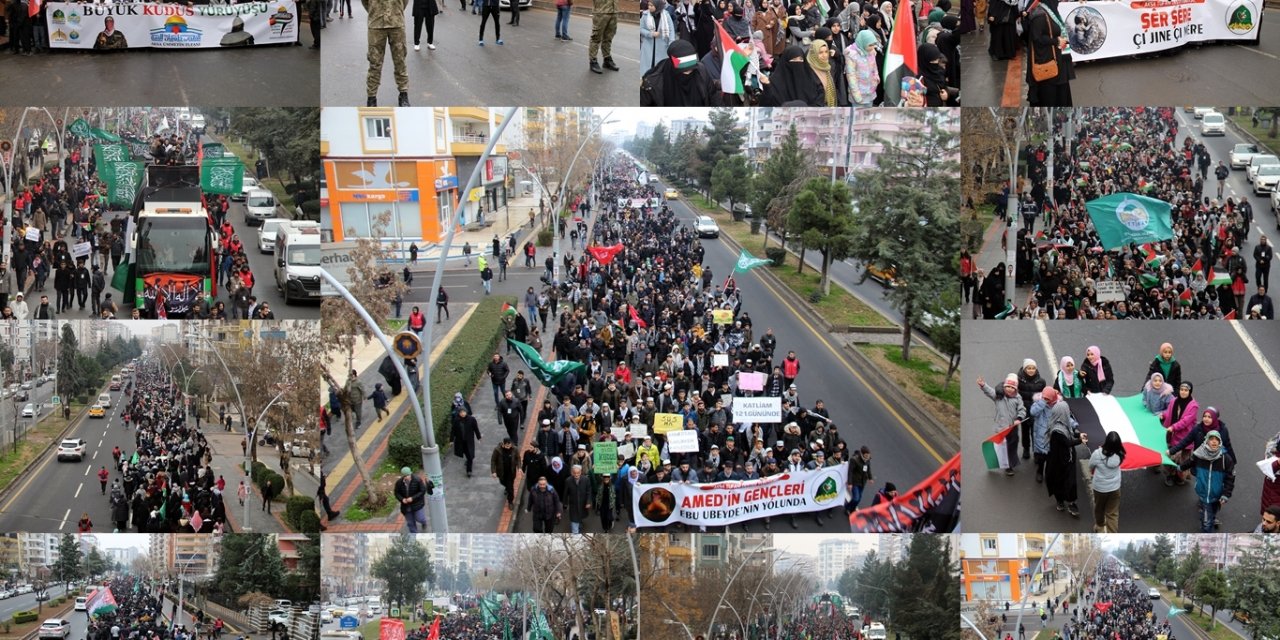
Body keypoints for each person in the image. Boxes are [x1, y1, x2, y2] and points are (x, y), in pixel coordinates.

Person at [1177, 431, 1235, 532]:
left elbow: (1230, 478)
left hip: (1217, 494)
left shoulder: (1226, 459)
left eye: (1217, 439)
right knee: (1207, 523)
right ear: (1206, 441)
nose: (1214, 442)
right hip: (1203, 492)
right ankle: (1206, 528)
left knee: (1213, 510)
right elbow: (1190, 462)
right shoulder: (1199, 454)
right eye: (1211, 439)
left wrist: (1226, 494)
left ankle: (1210, 517)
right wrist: (1181, 467)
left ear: (1220, 442)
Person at [1043, 387, 1084, 516]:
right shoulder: (1057, 430)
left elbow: (1070, 433)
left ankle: (1070, 502)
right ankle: (1062, 502)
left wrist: (1078, 435)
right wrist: (1080, 440)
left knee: (1069, 482)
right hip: (1059, 462)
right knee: (1061, 482)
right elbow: (1067, 442)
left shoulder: (1062, 423)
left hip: (1066, 458)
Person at [1023, 0, 1073, 106]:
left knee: (1060, 96)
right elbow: (1037, 37)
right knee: (1050, 97)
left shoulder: (1050, 11)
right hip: (1048, 64)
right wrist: (1056, 41)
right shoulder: (1040, 14)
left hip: (1058, 62)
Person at [364, 0, 411, 106]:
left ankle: (403, 94)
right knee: (374, 63)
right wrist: (374, 10)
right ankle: (371, 97)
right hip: (376, 24)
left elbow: (405, 1)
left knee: (400, 61)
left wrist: (396, 10)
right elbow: (365, 2)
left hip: (396, 22)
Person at [978, 374, 1026, 476]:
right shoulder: (998, 396)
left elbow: (1022, 410)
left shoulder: (1018, 398)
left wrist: (1019, 418)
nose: (1010, 389)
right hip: (1001, 428)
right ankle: (1001, 463)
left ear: (1016, 389)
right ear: (1004, 386)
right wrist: (983, 385)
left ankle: (1010, 465)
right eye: (1008, 386)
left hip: (1012, 428)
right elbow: (990, 391)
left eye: (1012, 387)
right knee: (1002, 447)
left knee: (1012, 446)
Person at [1163, 381, 1199, 486]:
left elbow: (1185, 421)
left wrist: (1173, 427)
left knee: (1184, 460)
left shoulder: (1193, 406)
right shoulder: (1174, 401)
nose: (1183, 392)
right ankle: (1170, 475)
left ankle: (1180, 477)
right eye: (1181, 390)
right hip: (1172, 435)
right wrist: (1163, 415)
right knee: (1171, 456)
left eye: (1186, 390)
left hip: (1185, 437)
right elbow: (1168, 412)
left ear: (1190, 392)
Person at [1088, 431, 1125, 532]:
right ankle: (1112, 533)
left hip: (1100, 488)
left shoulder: (1097, 454)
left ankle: (1099, 526)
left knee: (1099, 508)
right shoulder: (1120, 454)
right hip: (1115, 488)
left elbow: (1090, 466)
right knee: (1112, 513)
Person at [1016, 359, 1046, 460]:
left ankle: (1036, 451)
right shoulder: (1018, 381)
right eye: (1029, 368)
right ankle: (1026, 449)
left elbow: (1044, 396)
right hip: (1024, 411)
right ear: (1024, 369)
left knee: (1036, 433)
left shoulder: (1041, 382)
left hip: (1036, 412)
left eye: (1033, 368)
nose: (1031, 370)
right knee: (1025, 432)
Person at [395, 466, 432, 532]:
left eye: (408, 475)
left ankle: (423, 522)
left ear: (410, 473)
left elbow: (422, 491)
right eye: (405, 476)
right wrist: (402, 499)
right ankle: (414, 535)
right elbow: (397, 493)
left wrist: (412, 498)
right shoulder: (399, 483)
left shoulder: (417, 480)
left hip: (417, 504)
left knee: (420, 518)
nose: (407, 477)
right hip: (406, 506)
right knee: (410, 523)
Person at [589, 0, 619, 73]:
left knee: (608, 37)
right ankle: (593, 61)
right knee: (596, 37)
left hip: (613, 11)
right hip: (601, 12)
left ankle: (607, 59)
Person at [451, 407, 482, 477]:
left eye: (464, 412)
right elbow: (453, 431)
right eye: (461, 412)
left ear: (466, 412)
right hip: (460, 441)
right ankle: (468, 460)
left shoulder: (472, 419)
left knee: (470, 455)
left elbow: (476, 429)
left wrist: (479, 437)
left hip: (469, 441)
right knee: (466, 453)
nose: (462, 413)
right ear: (459, 413)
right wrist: (451, 440)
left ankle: (469, 470)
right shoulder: (456, 420)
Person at [563, 464, 593, 533]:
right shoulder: (568, 480)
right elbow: (565, 493)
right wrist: (565, 503)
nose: (576, 475)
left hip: (583, 502)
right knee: (574, 519)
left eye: (578, 473)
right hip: (573, 503)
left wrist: (588, 502)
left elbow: (589, 491)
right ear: (572, 472)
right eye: (574, 473)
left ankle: (579, 522)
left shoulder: (586, 479)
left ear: (581, 472)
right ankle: (575, 532)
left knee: (580, 515)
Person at [490, 437, 518, 508]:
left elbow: (518, 458)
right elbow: (493, 461)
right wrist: (493, 471)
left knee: (510, 488)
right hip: (501, 472)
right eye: (507, 446)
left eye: (509, 445)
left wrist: (519, 467)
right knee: (502, 482)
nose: (508, 447)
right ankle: (506, 487)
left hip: (511, 472)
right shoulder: (497, 450)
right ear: (503, 444)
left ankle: (510, 501)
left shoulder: (514, 449)